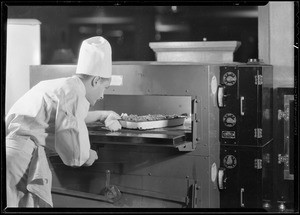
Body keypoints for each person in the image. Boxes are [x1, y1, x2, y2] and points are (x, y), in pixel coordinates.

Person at [5, 36, 122, 207]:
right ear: (96, 80)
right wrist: (89, 155)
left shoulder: (62, 86)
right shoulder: (74, 94)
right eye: (104, 88)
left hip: (12, 153)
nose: (102, 95)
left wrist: (102, 114)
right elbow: (74, 154)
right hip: (18, 161)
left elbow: (63, 118)